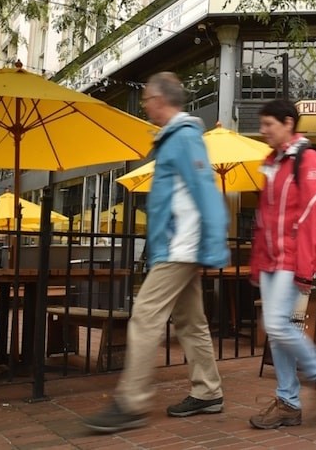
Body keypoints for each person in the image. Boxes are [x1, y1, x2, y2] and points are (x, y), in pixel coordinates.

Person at [83, 72, 229, 433]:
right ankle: (208, 391)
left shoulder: (183, 138)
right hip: (178, 247)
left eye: (147, 99)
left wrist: (210, 247)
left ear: (161, 100)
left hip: (181, 248)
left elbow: (205, 192)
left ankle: (131, 403)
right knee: (191, 323)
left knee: (145, 317)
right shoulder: (174, 139)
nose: (145, 104)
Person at [249, 98, 316, 429]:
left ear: (288, 123)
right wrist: (259, 263)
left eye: (268, 124)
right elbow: (264, 220)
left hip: (291, 259)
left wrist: (304, 268)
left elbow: (314, 218)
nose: (263, 131)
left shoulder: (308, 160)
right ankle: (288, 402)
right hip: (274, 261)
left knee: (275, 325)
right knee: (277, 329)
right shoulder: (273, 162)